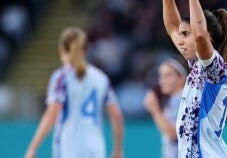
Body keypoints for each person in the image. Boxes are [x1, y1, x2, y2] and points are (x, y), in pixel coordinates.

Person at [156, 0, 227, 157]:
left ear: (209, 37)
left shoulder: (217, 70)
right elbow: (171, 27)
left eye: (186, 34)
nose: (181, 40)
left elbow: (200, 35)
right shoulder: (196, 65)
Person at [25, 27, 124, 158]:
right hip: (96, 148)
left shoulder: (61, 77)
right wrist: (118, 149)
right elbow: (116, 114)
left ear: (61, 50)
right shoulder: (101, 78)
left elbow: (53, 112)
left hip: (70, 146)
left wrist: (33, 146)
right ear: (86, 50)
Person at [144, 58, 187, 158]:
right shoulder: (174, 100)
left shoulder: (183, 100)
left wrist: (154, 109)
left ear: (181, 78)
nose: (162, 81)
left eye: (168, 75)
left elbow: (173, 133)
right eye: (161, 76)